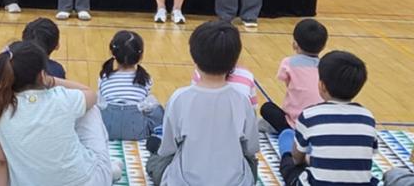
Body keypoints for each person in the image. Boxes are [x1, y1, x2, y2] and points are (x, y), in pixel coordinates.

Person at [0, 40, 121, 186]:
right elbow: (91, 95)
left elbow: (0, 160)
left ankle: (108, 171)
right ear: (42, 75)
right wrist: (52, 81)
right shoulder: (61, 97)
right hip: (88, 181)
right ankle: (109, 171)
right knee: (90, 109)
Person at [146, 21, 258, 186]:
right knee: (250, 163)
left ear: (194, 56)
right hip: (236, 182)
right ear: (235, 60)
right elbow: (251, 148)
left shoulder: (179, 98)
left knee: (157, 160)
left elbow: (168, 148)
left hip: (185, 182)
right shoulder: (242, 101)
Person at [277, 50, 377, 186]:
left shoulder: (309, 115)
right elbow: (368, 154)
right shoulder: (368, 117)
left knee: (287, 139)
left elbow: (297, 159)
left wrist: (310, 159)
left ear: (322, 85)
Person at [260, 19, 328, 132]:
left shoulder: (288, 63)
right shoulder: (325, 66)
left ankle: (288, 131)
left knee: (267, 108)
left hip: (293, 122)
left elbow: (288, 84)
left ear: (295, 44)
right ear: (323, 46)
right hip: (318, 123)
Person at [98, 30, 164, 140]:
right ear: (140, 56)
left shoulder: (104, 77)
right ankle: (158, 135)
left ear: (113, 53)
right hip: (136, 131)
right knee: (156, 107)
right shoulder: (145, 79)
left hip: (107, 130)